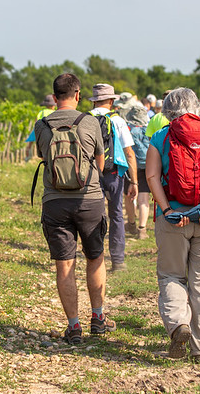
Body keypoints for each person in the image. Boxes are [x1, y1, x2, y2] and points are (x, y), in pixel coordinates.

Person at [146, 88, 200, 364]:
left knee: (171, 276)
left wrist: (167, 209)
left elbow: (152, 175)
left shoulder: (160, 137)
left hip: (173, 218)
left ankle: (178, 323)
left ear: (167, 112)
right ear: (196, 107)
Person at [34, 74, 115, 344]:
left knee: (64, 265)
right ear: (78, 95)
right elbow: (101, 163)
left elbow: (43, 156)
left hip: (55, 202)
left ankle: (74, 326)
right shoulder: (90, 122)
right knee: (95, 258)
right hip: (89, 200)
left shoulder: (42, 125)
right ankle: (98, 317)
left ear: (55, 96)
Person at [89, 83, 138, 272]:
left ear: (94, 101)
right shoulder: (117, 121)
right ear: (111, 100)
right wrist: (133, 181)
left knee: (95, 216)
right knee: (116, 215)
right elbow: (129, 152)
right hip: (114, 174)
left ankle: (96, 258)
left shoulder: (85, 119)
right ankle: (118, 261)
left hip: (92, 175)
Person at [122, 104, 152, 239]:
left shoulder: (128, 130)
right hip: (148, 165)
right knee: (144, 198)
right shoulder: (150, 130)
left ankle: (132, 223)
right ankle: (142, 229)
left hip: (131, 166)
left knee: (129, 196)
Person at [25, 94, 57, 159]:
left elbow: (36, 121)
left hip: (41, 130)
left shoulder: (41, 112)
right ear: (54, 105)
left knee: (31, 141)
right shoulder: (55, 112)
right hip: (51, 131)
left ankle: (28, 155)